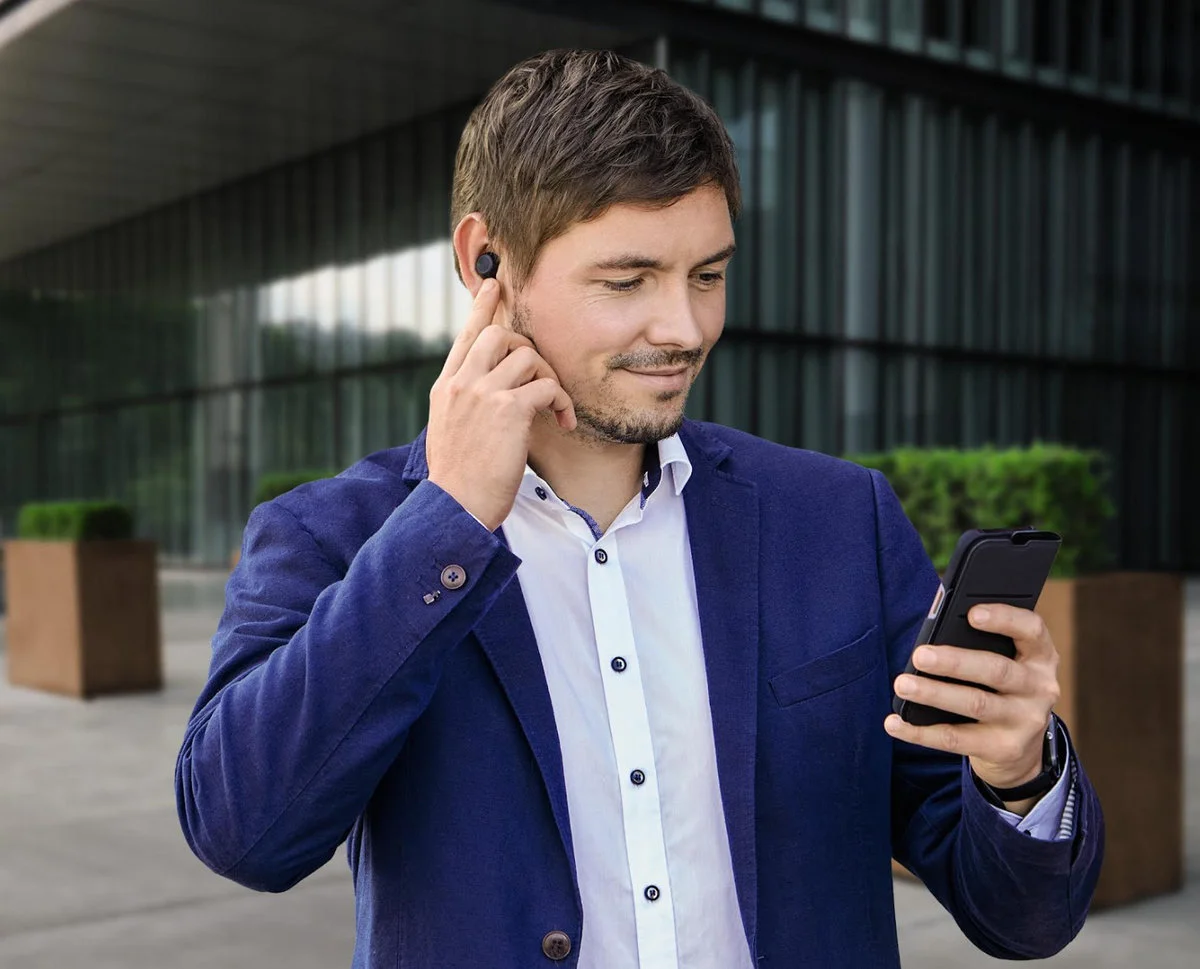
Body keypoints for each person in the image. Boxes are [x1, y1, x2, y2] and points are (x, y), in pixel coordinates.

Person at [176, 48, 1103, 969]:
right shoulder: (335, 535)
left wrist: (1018, 773)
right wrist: (449, 519)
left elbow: (1019, 917)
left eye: (707, 275)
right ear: (484, 261)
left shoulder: (835, 519)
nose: (686, 328)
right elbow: (243, 832)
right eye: (627, 281)